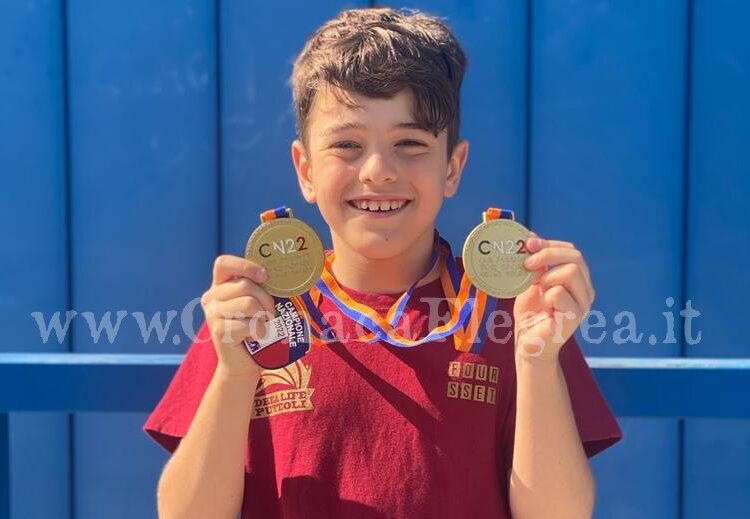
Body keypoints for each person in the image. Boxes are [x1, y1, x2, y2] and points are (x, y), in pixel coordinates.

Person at [144, 7, 622, 518]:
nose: (378, 171)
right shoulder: (255, 311)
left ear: (452, 167)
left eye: (410, 144)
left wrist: (537, 360)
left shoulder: (514, 313)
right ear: (304, 170)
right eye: (347, 145)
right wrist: (235, 376)